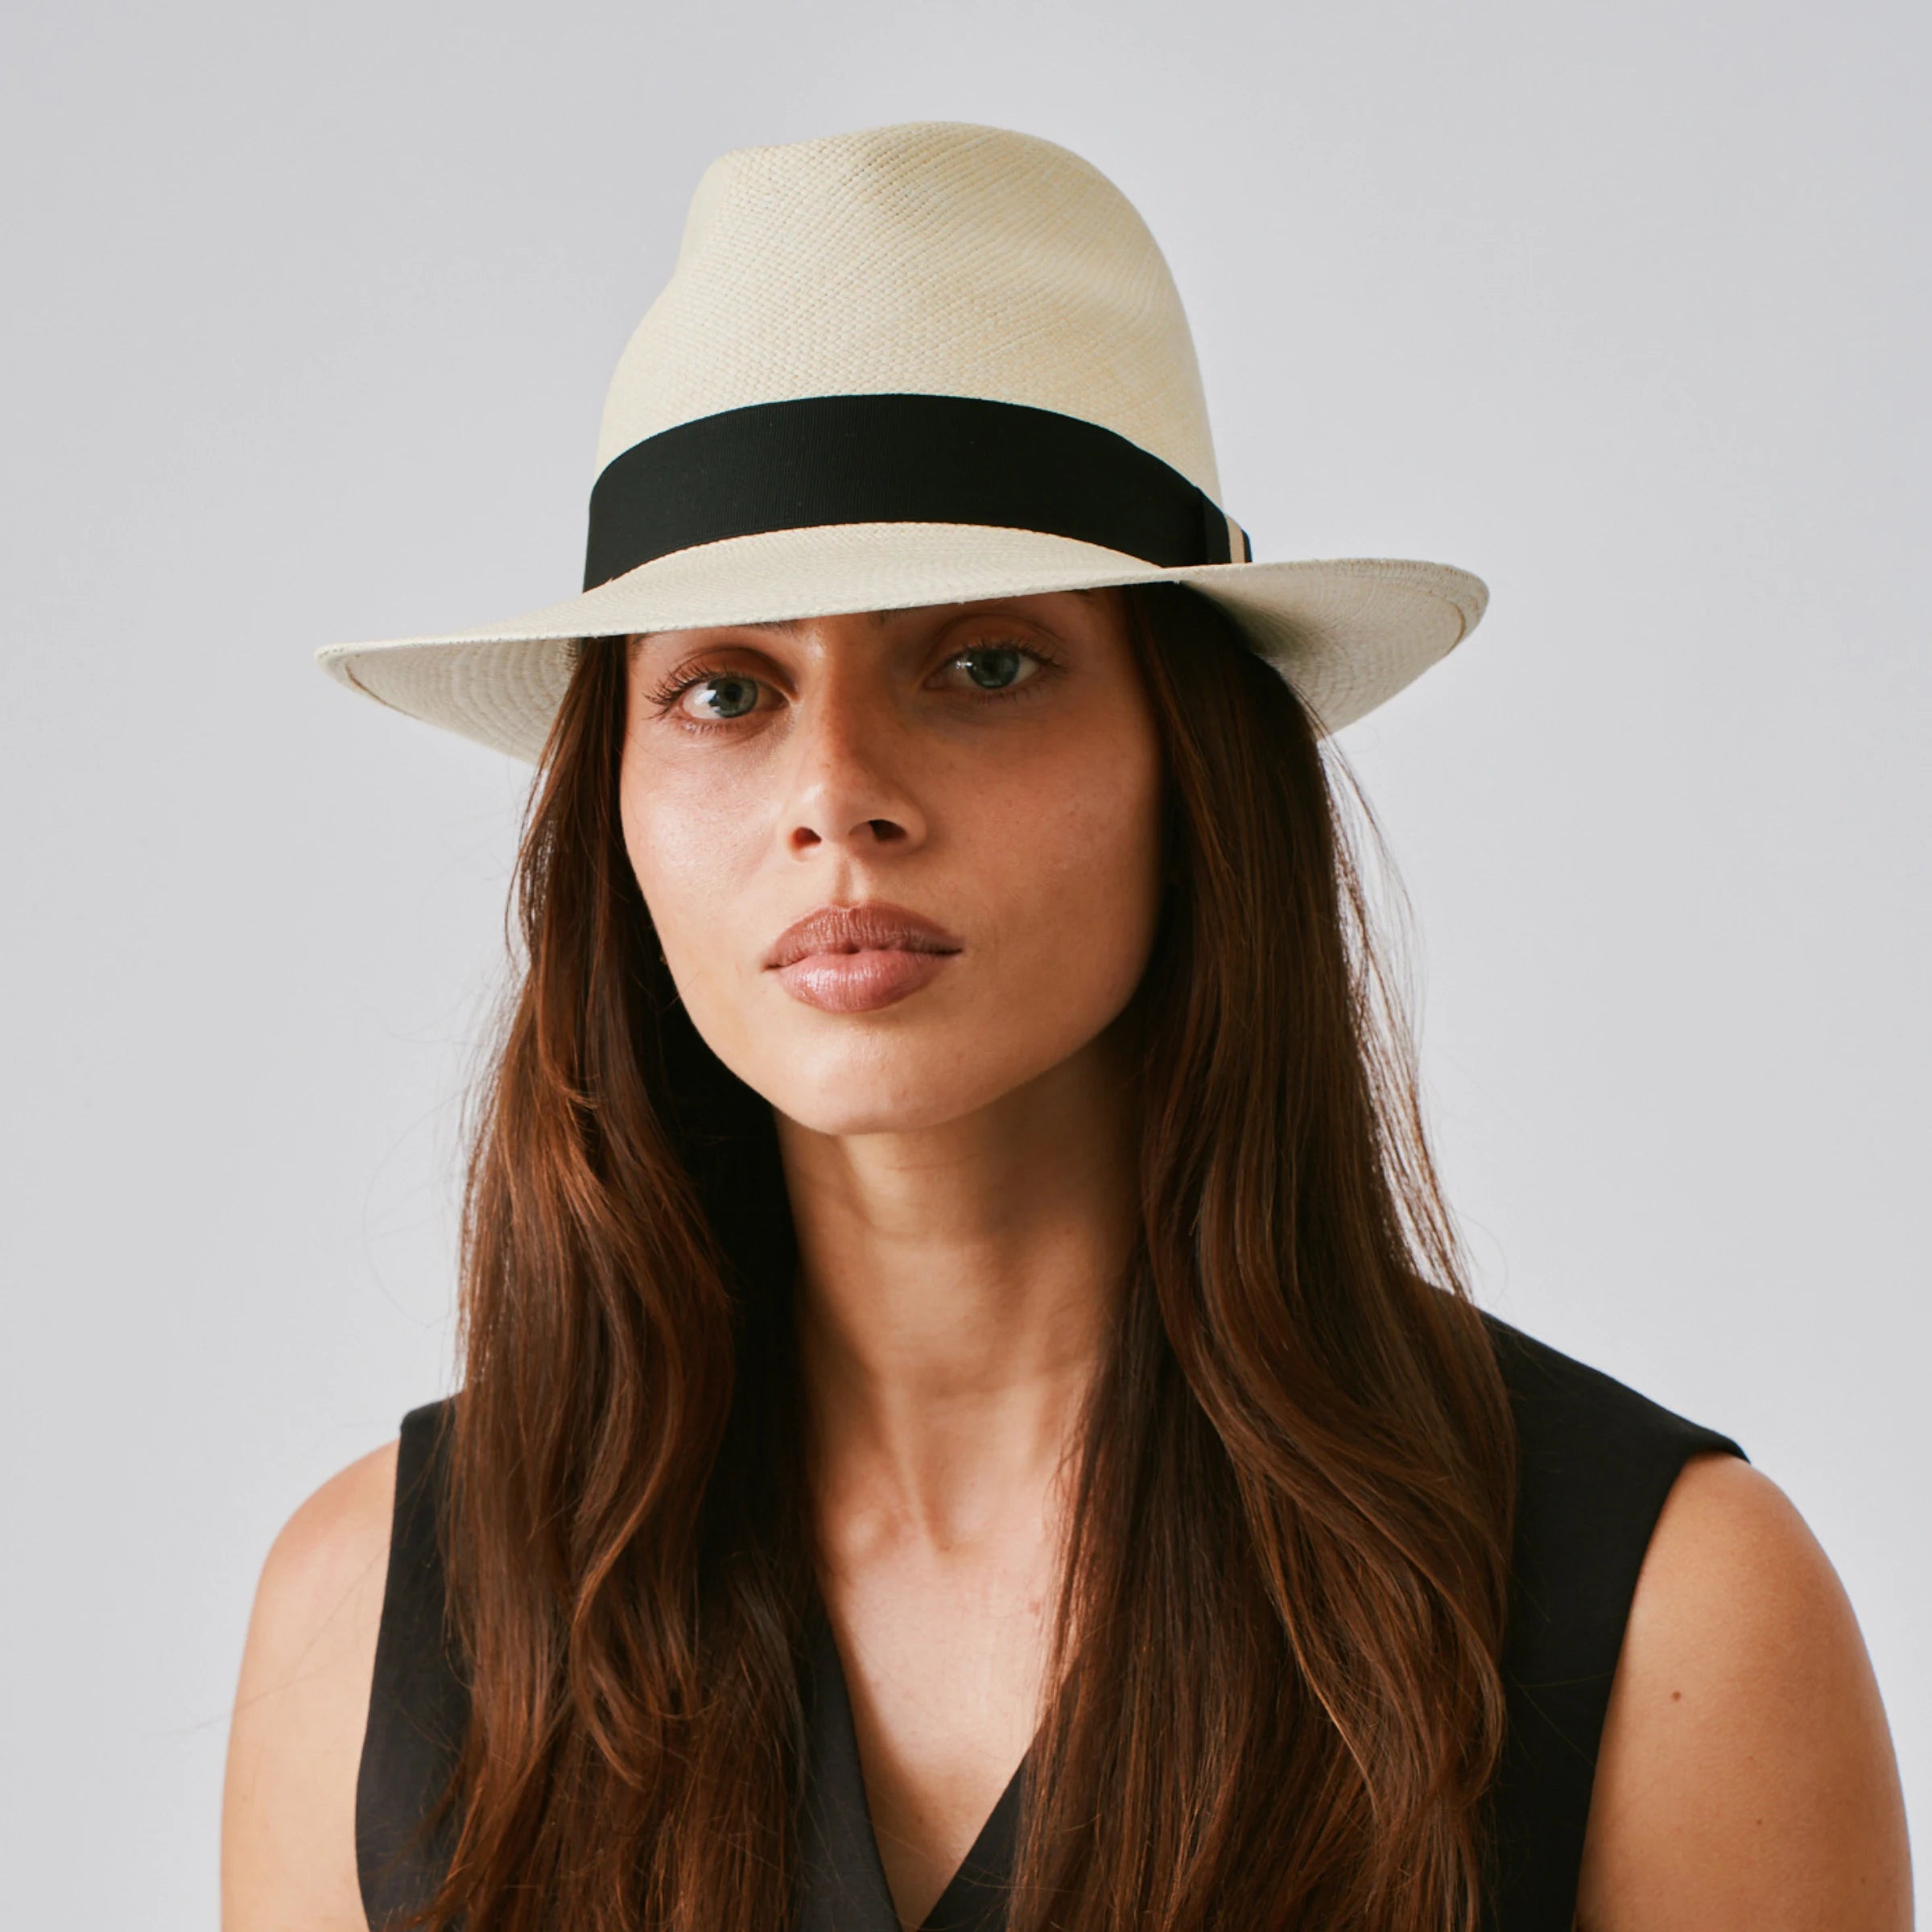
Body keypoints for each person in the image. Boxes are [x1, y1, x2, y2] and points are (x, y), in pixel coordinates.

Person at [220, 122, 1911, 1932]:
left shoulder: (1661, 1618)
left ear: (1194, 762)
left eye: (986, 664)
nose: (838, 795)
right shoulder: (371, 1622)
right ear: (609, 807)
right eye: (725, 690)